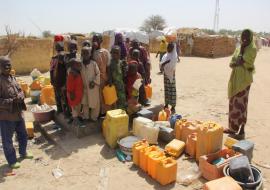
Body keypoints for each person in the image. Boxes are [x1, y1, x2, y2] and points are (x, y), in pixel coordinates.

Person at [223, 29, 257, 140]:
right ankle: (232, 128)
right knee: (233, 104)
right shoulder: (238, 48)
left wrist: (241, 54)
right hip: (235, 80)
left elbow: (247, 62)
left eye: (247, 35)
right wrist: (238, 60)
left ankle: (242, 131)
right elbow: (231, 63)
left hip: (244, 81)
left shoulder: (252, 49)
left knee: (241, 105)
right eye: (243, 35)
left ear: (251, 37)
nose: (244, 38)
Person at [0, 56, 33, 169]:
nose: (8, 67)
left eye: (9, 64)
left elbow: (20, 90)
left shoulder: (12, 77)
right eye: (5, 65)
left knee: (23, 134)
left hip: (18, 113)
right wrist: (12, 101)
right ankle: (12, 160)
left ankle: (23, 152)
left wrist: (21, 95)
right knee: (8, 140)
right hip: (6, 116)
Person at [92, 33, 111, 116]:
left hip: (104, 78)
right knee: (98, 97)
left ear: (101, 41)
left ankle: (105, 111)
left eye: (97, 39)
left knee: (104, 95)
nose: (95, 41)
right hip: (95, 78)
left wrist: (109, 78)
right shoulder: (91, 52)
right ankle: (100, 112)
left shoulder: (105, 52)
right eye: (93, 40)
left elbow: (108, 66)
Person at [81, 47, 100, 121]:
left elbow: (98, 74)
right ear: (81, 54)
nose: (85, 55)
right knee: (85, 103)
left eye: (87, 53)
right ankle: (86, 116)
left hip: (93, 87)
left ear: (90, 54)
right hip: (84, 87)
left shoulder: (94, 64)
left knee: (95, 103)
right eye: (83, 53)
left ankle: (94, 117)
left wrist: (94, 81)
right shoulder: (80, 64)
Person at [160, 42, 178, 114]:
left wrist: (164, 64)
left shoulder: (174, 56)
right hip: (166, 75)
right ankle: (166, 104)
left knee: (172, 90)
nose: (168, 49)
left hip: (171, 75)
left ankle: (173, 106)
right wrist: (164, 63)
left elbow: (171, 66)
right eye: (167, 47)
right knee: (166, 89)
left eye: (170, 48)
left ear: (173, 48)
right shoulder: (165, 55)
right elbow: (161, 65)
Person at [66, 58, 84, 127]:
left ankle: (77, 117)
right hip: (73, 94)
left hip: (78, 94)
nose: (80, 66)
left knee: (78, 107)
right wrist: (71, 93)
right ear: (73, 66)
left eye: (80, 64)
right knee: (74, 108)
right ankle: (75, 120)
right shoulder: (72, 74)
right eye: (78, 65)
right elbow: (69, 85)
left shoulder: (77, 73)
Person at [50, 42, 67, 114]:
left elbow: (51, 70)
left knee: (59, 96)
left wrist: (52, 79)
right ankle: (63, 111)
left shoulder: (54, 58)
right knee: (63, 96)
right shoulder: (65, 56)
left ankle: (61, 110)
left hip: (57, 80)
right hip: (61, 80)